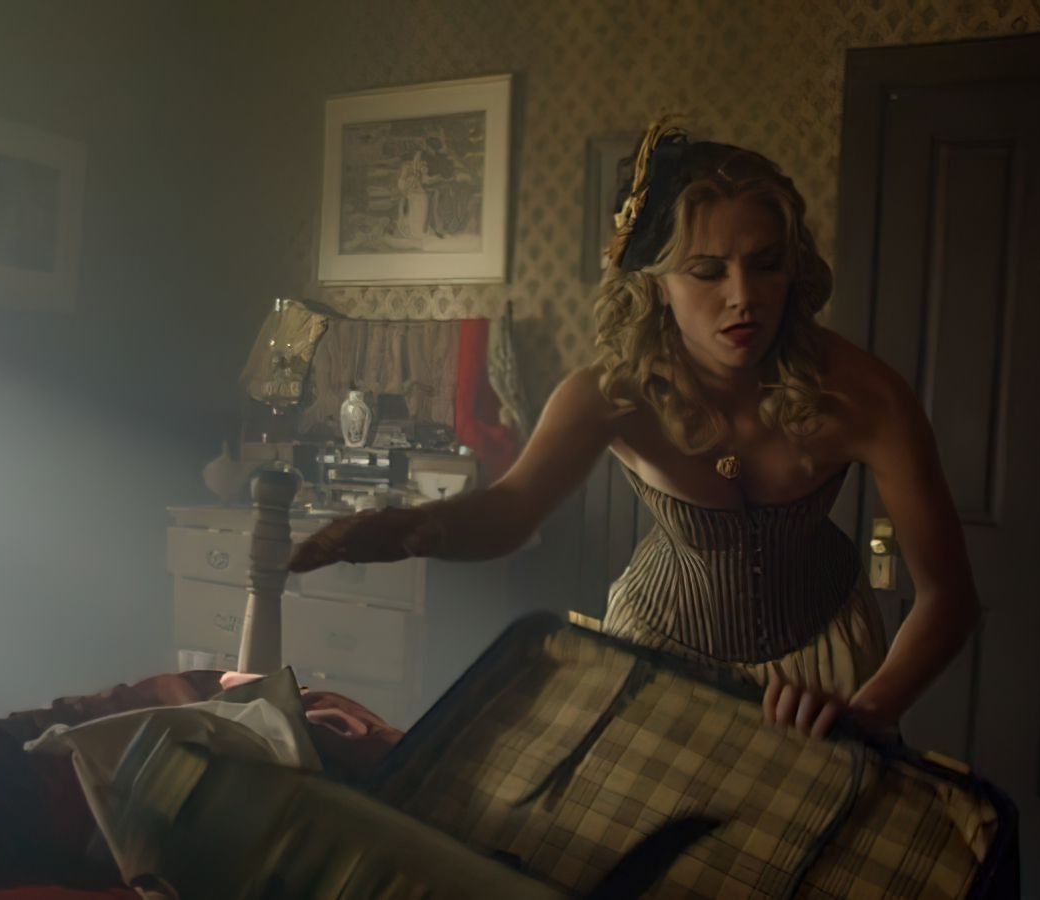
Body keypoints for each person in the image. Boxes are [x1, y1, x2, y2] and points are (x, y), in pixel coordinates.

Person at [290, 117, 980, 740]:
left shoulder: (865, 396)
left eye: (767, 264)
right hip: (657, 660)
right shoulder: (611, 395)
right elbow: (512, 509)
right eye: (707, 271)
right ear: (655, 283)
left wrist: (867, 712)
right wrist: (414, 529)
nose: (743, 296)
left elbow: (948, 598)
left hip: (823, 672)